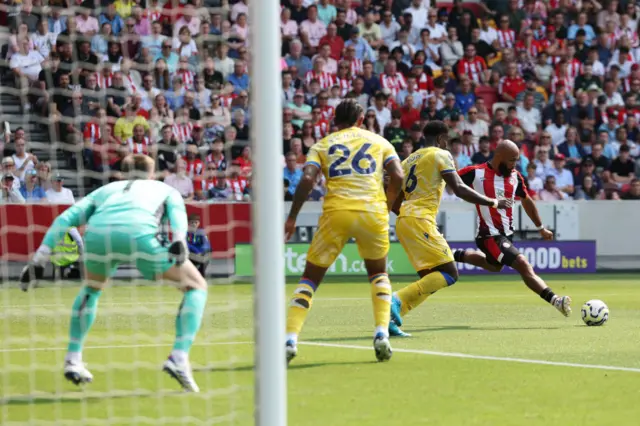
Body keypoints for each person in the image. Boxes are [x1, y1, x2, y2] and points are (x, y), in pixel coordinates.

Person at [20, 154, 208, 393]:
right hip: (139, 234)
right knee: (196, 286)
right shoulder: (163, 188)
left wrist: (40, 258)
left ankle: (73, 358)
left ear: (123, 174)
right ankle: (179, 356)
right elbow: (177, 213)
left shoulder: (106, 190)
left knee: (91, 288)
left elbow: (65, 218)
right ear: (151, 174)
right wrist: (179, 239)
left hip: (98, 235)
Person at [283, 99, 404, 363]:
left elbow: (306, 179)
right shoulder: (380, 142)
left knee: (310, 280)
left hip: (336, 212)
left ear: (335, 121)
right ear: (361, 120)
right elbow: (398, 175)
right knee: (378, 273)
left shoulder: (322, 145)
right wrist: (388, 202)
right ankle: (382, 332)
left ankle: (290, 339)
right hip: (372, 212)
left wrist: (292, 217)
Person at [388, 121, 511, 337]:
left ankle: (391, 320)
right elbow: (459, 189)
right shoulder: (440, 155)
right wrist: (492, 202)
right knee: (449, 273)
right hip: (421, 219)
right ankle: (395, 300)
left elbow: (394, 201)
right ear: (441, 139)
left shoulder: (407, 161)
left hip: (404, 220)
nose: (448, 144)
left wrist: (409, 217)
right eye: (447, 140)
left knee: (430, 278)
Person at [452, 141, 572, 318]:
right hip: (490, 235)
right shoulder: (476, 172)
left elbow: (527, 200)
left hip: (507, 235)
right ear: (499, 156)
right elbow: (451, 181)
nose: (515, 164)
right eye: (512, 160)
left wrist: (540, 228)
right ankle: (556, 300)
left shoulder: (515, 176)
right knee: (523, 264)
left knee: (493, 266)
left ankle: (453, 254)